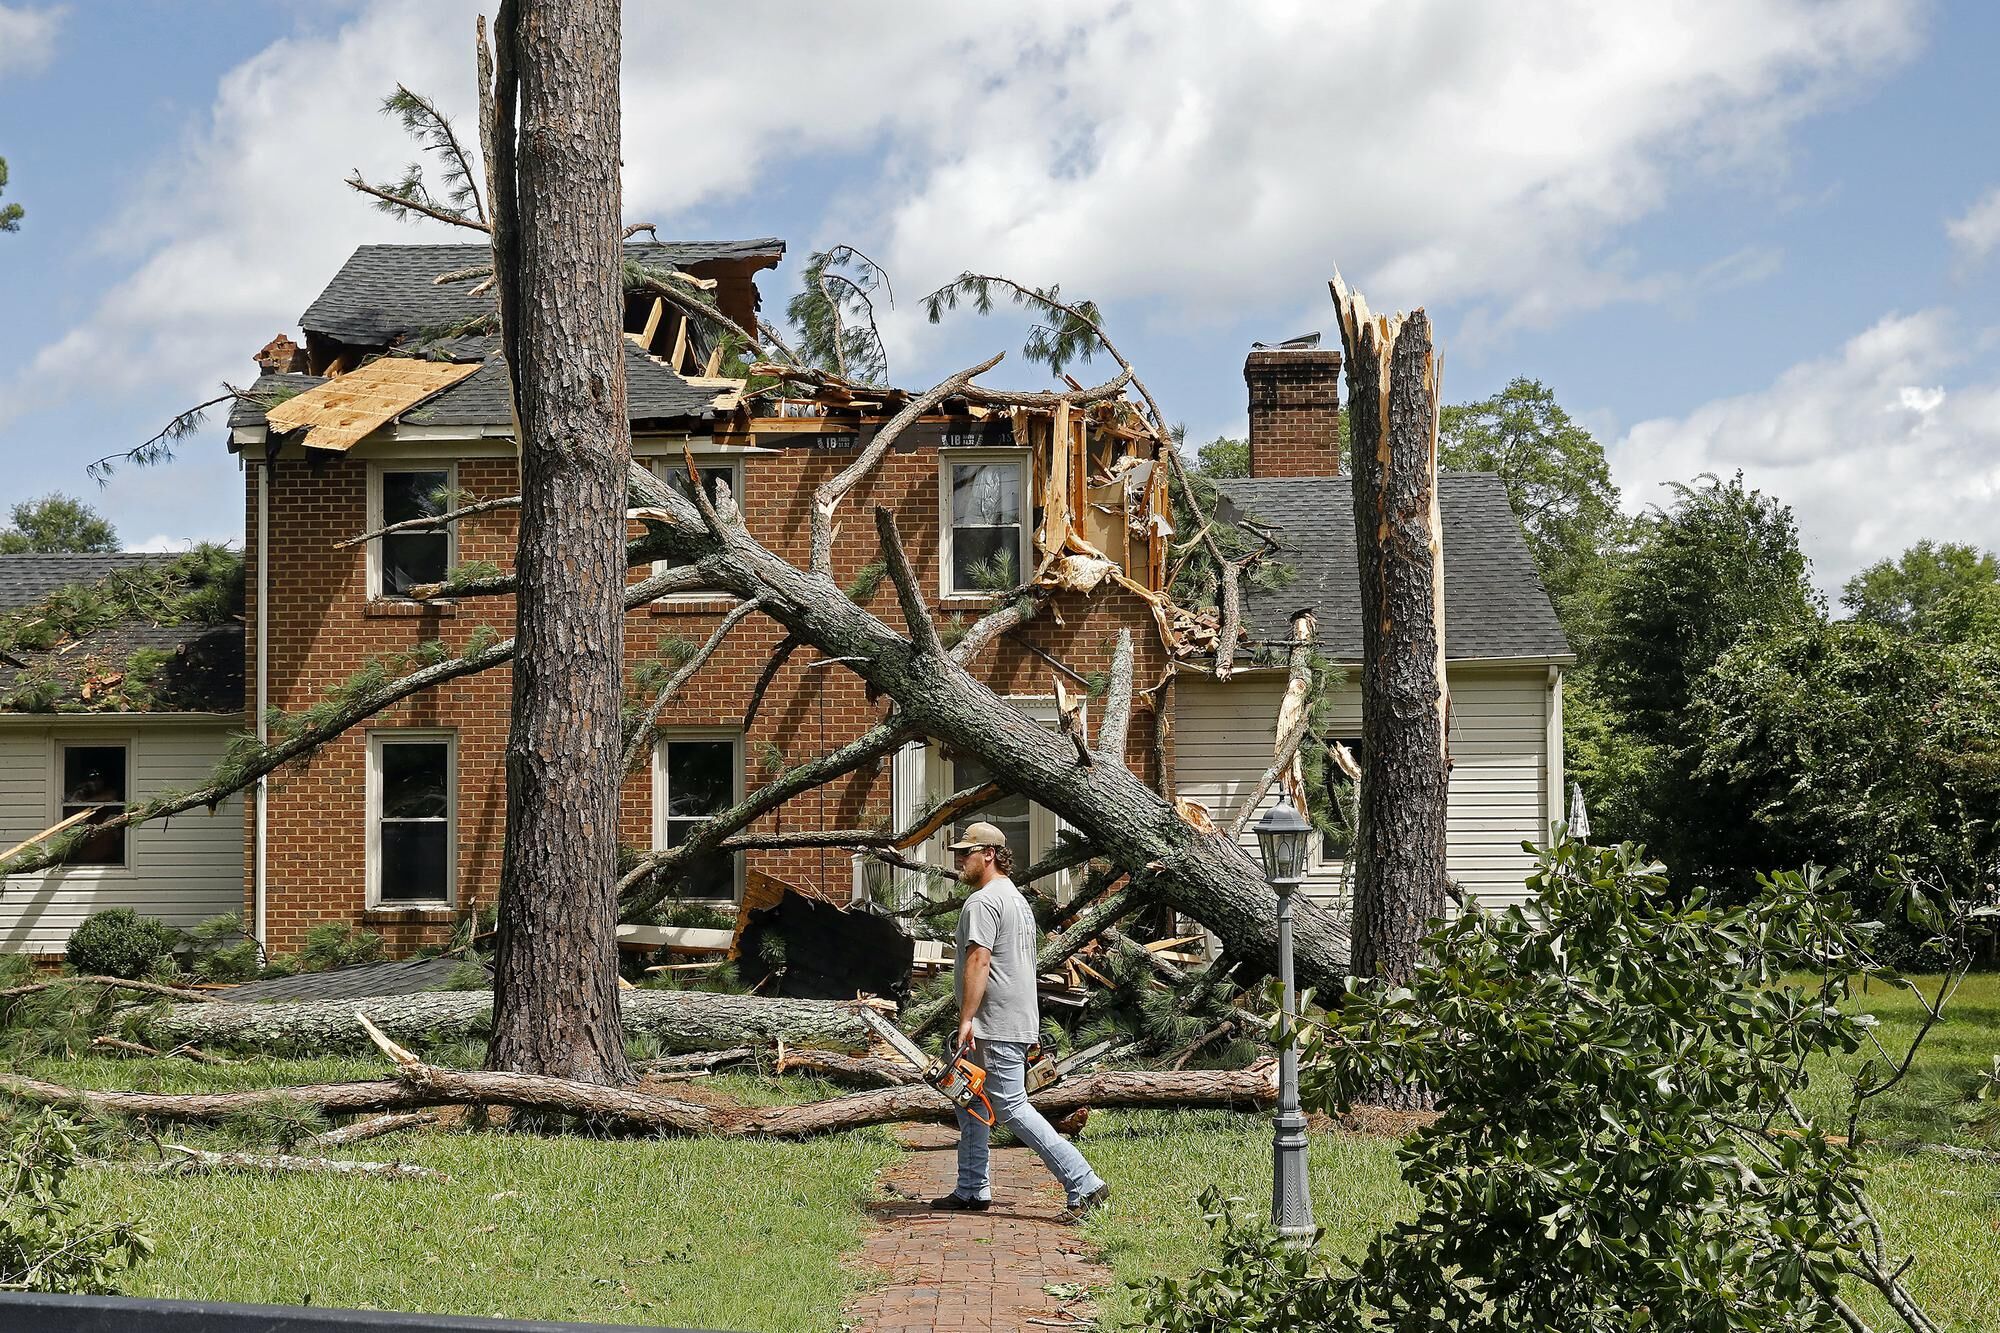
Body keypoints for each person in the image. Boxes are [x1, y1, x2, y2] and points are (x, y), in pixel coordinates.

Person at [931, 821, 1110, 1222]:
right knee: (971, 1101)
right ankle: (972, 1189)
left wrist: (966, 1019)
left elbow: (979, 960)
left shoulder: (982, 903)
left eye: (967, 853)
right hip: (1013, 1018)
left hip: (993, 1022)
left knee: (1011, 1107)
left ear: (989, 854)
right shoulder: (1014, 899)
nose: (960, 860)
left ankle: (1084, 1181)